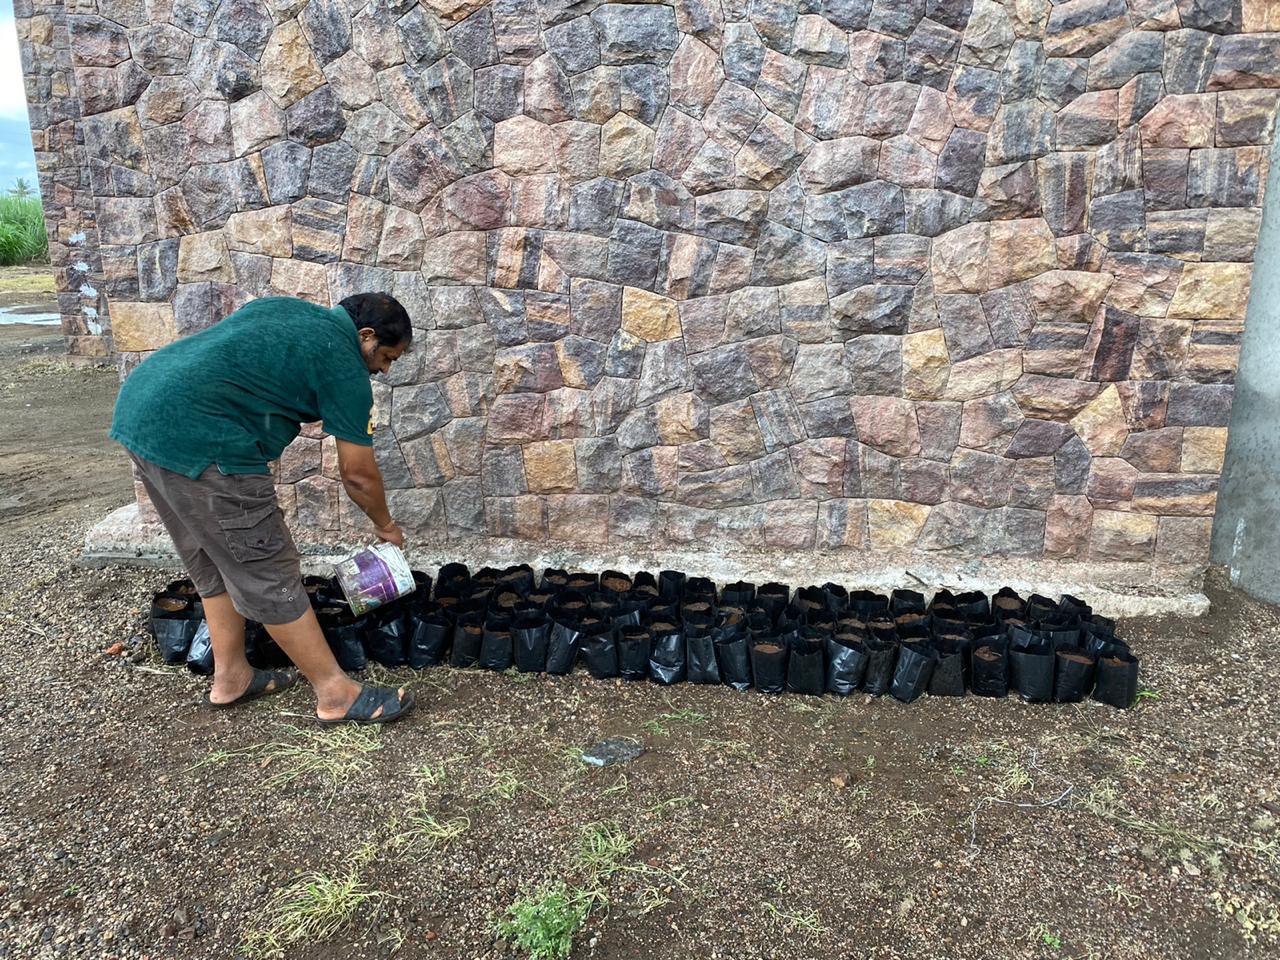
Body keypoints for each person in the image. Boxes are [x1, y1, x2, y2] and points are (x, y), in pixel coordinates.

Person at [110, 293, 416, 725]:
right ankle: (335, 693)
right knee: (266, 564)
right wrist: (386, 526)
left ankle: (231, 677)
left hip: (143, 413)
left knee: (214, 558)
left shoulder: (287, 309)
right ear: (364, 336)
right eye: (386, 356)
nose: (384, 369)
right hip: (205, 441)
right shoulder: (346, 367)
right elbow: (358, 475)